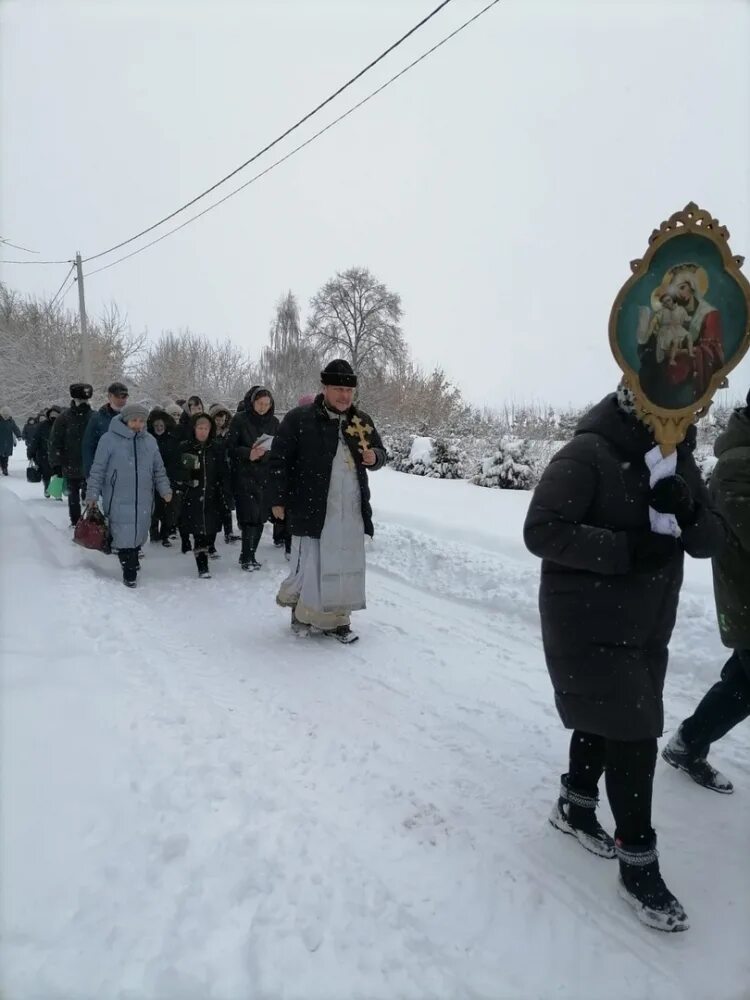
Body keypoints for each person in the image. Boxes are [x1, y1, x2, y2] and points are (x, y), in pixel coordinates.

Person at [523, 381, 724, 933]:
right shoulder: (589, 451)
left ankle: (575, 804)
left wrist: (688, 511)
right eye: (676, 411)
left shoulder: (678, 460)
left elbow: (711, 540)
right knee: (633, 730)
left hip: (646, 622)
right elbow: (541, 530)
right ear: (643, 406)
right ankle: (639, 862)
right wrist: (626, 549)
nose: (685, 421)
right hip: (585, 614)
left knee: (606, 717)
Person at [662, 389, 750, 793]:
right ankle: (688, 742)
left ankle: (689, 743)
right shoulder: (737, 466)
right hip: (745, 598)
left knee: (743, 683)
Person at [270, 360, 386, 643]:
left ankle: (339, 618)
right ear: (324, 388)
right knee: (312, 563)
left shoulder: (361, 421)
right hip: (313, 506)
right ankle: (304, 613)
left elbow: (379, 451)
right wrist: (277, 499)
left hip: (351, 508)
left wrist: (376, 458)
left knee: (345, 562)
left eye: (349, 390)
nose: (345, 396)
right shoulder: (299, 419)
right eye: (338, 389)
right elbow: (278, 461)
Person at [85, 403, 172, 588]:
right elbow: (98, 469)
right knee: (122, 534)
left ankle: (132, 557)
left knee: (139, 532)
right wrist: (92, 494)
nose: (137, 424)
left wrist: (165, 490)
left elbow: (159, 469)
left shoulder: (149, 441)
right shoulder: (108, 440)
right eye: (134, 420)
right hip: (117, 496)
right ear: (125, 420)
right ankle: (129, 570)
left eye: (141, 421)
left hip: (143, 497)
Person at [227, 387, 280, 571]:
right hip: (244, 474)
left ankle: (251, 555)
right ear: (252, 402)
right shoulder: (240, 420)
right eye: (260, 404)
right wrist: (248, 453)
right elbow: (230, 447)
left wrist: (265, 455)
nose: (263, 407)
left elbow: (278, 449)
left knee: (260, 518)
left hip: (265, 476)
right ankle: (246, 556)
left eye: (267, 404)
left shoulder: (274, 422)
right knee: (249, 517)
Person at [174, 413, 232, 579]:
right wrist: (187, 477)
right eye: (200, 428)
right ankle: (202, 565)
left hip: (213, 495)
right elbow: (176, 470)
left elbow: (224, 471)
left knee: (211, 530)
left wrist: (225, 490)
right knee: (199, 531)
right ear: (194, 429)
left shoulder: (217, 447)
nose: (203, 431)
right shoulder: (185, 447)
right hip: (192, 495)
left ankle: (207, 548)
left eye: (206, 428)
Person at [48, 383, 93, 526]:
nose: (83, 403)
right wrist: (56, 464)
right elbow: (55, 442)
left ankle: (90, 520)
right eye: (81, 400)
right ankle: (76, 521)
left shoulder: (94, 416)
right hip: (71, 464)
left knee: (89, 494)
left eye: (85, 401)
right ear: (74, 399)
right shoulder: (64, 418)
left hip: (90, 465)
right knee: (73, 495)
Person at [147, 407, 182, 546]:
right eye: (156, 425)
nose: (159, 428)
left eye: (161, 425)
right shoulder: (148, 440)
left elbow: (176, 459)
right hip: (150, 479)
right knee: (153, 508)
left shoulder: (172, 440)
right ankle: (154, 534)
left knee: (168, 508)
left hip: (168, 478)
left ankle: (165, 535)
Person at [82, 381, 129, 477]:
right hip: (105, 471)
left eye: (125, 396)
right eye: (118, 396)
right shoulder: (97, 418)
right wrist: (90, 474)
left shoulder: (131, 417)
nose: (122, 399)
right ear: (110, 396)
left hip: (127, 471)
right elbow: (88, 447)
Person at [209, 404, 241, 544]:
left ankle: (229, 532)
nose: (220, 422)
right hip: (212, 471)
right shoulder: (209, 433)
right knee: (213, 504)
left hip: (226, 472)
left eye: (222, 419)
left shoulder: (229, 433)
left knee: (226, 503)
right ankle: (211, 534)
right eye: (217, 419)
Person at [29, 405, 62, 495]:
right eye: (52, 416)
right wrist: (31, 452)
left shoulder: (63, 425)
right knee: (46, 472)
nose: (54, 418)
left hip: (57, 453)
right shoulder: (42, 425)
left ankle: (56, 491)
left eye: (56, 416)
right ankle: (47, 488)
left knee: (58, 473)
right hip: (44, 453)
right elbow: (35, 439)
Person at [0, 406, 22, 476]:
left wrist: (19, 435)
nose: (6, 416)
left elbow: (15, 428)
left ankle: (5, 469)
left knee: (5, 456)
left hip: (7, 441)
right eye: (4, 414)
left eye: (7, 414)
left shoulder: (11, 421)